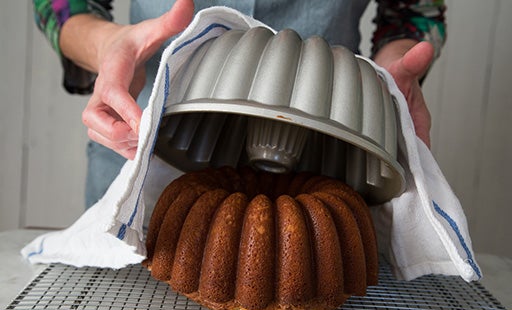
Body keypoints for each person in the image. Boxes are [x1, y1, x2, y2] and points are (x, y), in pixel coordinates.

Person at [32, 0, 446, 209]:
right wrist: (108, 45)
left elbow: (411, 13)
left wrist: (393, 73)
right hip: (150, 138)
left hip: (330, 150)